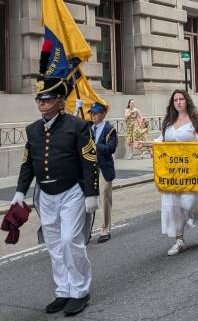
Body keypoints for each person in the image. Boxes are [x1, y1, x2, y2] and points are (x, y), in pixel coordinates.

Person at [10, 76, 99, 316]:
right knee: (54, 245)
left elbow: (89, 161)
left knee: (71, 240)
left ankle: (80, 291)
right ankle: (63, 290)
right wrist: (20, 190)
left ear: (60, 101)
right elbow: (28, 164)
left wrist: (92, 193)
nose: (41, 102)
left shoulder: (78, 126)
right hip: (46, 195)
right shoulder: (33, 130)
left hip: (72, 191)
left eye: (47, 98)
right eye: (39, 98)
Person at [152, 89, 198, 256]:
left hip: (191, 172)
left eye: (181, 99)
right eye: (175, 100)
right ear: (172, 103)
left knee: (189, 203)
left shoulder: (196, 121)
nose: (178, 102)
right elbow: (162, 140)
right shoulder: (168, 121)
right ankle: (179, 240)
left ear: (187, 101)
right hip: (172, 172)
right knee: (173, 206)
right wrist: (148, 145)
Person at [89, 102, 118, 243]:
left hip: (104, 168)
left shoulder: (109, 129)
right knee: (87, 200)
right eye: (92, 113)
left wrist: (95, 145)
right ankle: (85, 230)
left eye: (96, 113)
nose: (93, 116)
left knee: (104, 198)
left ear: (103, 114)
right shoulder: (88, 128)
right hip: (89, 169)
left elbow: (111, 148)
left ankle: (105, 229)